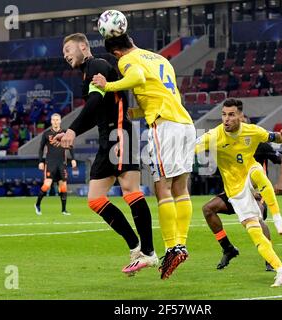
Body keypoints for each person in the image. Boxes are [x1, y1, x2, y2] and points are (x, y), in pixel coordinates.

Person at [91, 33, 196, 280]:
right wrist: (136, 111)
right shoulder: (160, 59)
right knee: (181, 188)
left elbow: (136, 77)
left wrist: (109, 85)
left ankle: (171, 247)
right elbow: (163, 93)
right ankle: (180, 244)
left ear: (116, 52)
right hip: (185, 123)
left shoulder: (127, 60)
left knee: (163, 188)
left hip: (165, 127)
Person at [54, 33, 158, 275]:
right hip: (107, 136)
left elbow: (92, 104)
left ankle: (149, 253)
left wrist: (71, 129)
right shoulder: (87, 74)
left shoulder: (98, 65)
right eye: (63, 53)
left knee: (131, 190)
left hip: (120, 133)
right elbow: (94, 112)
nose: (66, 55)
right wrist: (73, 131)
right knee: (95, 199)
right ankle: (136, 246)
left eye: (68, 49)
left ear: (83, 46)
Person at [195, 99, 282, 287]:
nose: (226, 119)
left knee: (257, 172)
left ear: (240, 116)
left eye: (231, 114)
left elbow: (275, 137)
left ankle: (278, 218)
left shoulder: (253, 131)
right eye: (224, 114)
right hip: (235, 191)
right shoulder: (214, 135)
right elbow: (191, 147)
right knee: (254, 232)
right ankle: (281, 271)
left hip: (251, 175)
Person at [35, 113, 77, 216]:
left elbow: (70, 146)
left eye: (57, 120)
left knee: (63, 187)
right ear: (51, 121)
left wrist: (73, 159)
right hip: (50, 163)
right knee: (46, 185)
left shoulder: (65, 133)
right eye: (53, 120)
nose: (55, 121)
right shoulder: (46, 134)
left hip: (62, 163)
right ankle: (37, 204)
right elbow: (40, 149)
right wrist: (40, 161)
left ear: (60, 121)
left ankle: (64, 210)